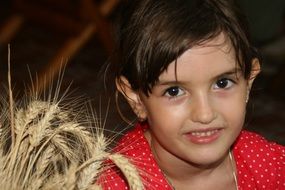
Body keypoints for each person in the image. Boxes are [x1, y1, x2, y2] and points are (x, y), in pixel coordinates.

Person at [99, 0, 285, 189]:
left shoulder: (272, 166)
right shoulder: (117, 184)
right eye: (174, 91)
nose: (205, 114)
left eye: (222, 83)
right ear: (136, 98)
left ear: (248, 82)